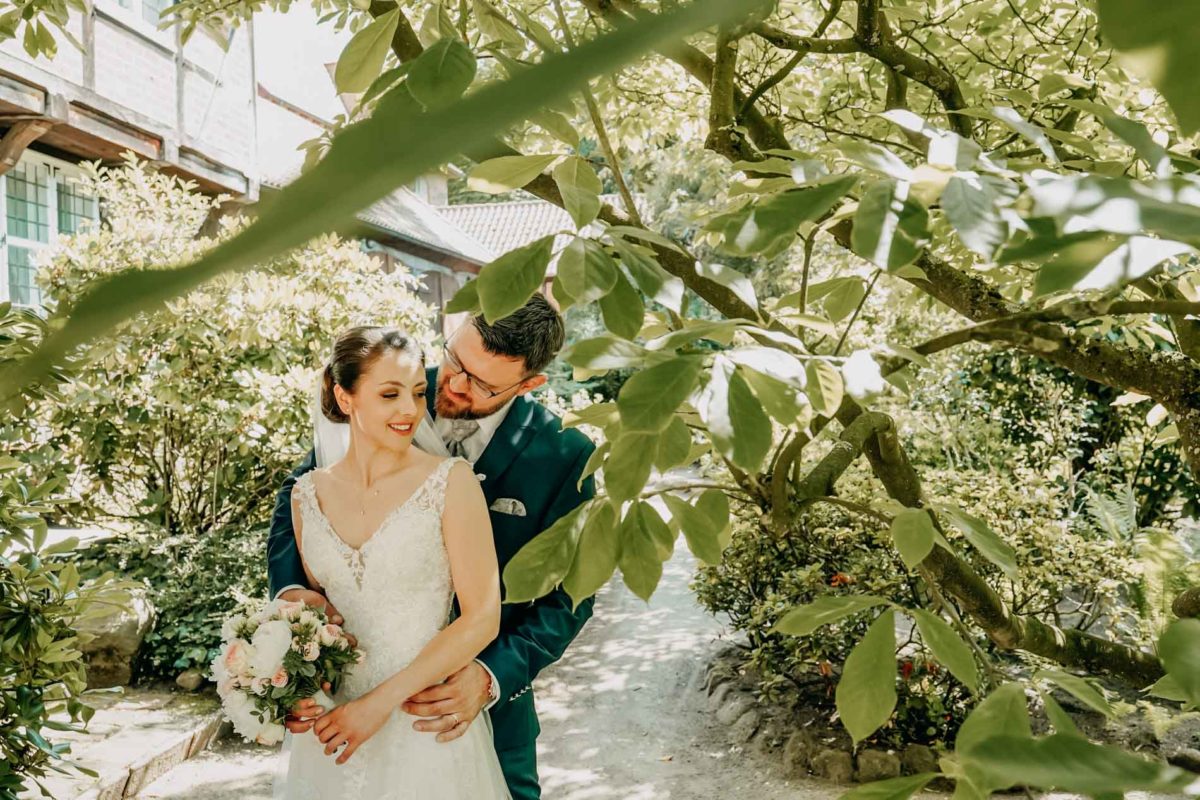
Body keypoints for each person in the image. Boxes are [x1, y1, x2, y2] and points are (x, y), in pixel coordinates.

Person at [268, 295, 596, 799]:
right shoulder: (391, 386)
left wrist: (490, 676)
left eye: (481, 383)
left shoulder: (565, 454)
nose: (453, 383)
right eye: (456, 359)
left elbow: (572, 595)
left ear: (530, 384)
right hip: (348, 705)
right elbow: (304, 500)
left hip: (472, 710)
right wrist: (293, 597)